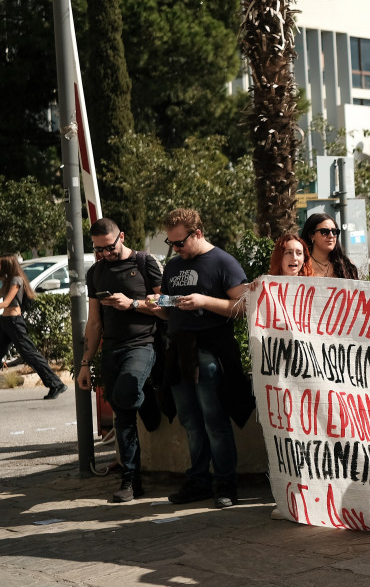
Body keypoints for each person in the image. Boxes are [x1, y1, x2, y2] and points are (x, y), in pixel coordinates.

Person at [157, 208, 252, 509]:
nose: (175, 249)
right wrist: (151, 303)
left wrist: (203, 301)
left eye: (180, 242)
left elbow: (245, 306)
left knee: (214, 420)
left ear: (197, 233)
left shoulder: (223, 261)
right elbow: (168, 306)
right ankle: (198, 480)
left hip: (210, 349)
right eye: (170, 243)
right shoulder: (173, 265)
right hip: (178, 350)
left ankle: (225, 483)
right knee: (190, 421)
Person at [77, 220, 164, 502]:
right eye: (99, 249)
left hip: (143, 343)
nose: (105, 253)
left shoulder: (144, 262)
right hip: (112, 348)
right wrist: (85, 363)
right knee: (122, 410)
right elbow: (93, 322)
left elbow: (167, 307)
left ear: (121, 237)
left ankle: (146, 398)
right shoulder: (96, 272)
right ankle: (131, 481)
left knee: (126, 392)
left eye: (109, 247)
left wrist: (133, 304)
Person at [0, 254, 66, 399]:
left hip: (14, 323)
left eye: (0, 264)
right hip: (5, 322)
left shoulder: (16, 280)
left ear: (7, 265)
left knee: (30, 355)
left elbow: (6, 302)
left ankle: (56, 384)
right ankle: (55, 383)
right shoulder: (7, 280)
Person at [301, 213, 359, 280]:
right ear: (311, 235)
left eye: (334, 231)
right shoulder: (301, 265)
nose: (331, 236)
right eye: (325, 231)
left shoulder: (346, 264)